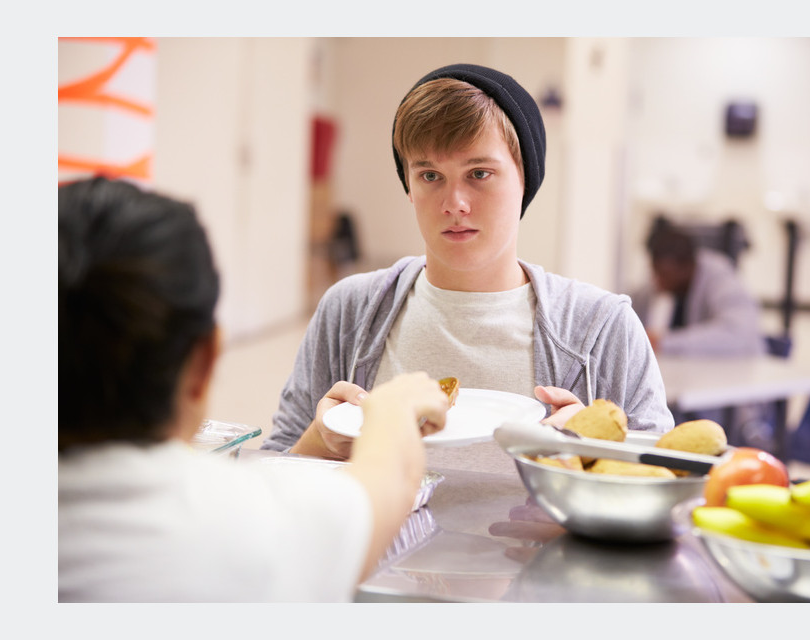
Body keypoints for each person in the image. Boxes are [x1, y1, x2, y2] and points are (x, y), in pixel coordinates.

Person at [58, 176, 450, 602]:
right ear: (205, 360)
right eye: (430, 175)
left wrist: (316, 440)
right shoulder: (251, 527)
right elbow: (385, 487)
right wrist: (391, 409)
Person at [262, 63, 674, 459]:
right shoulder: (349, 312)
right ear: (408, 184)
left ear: (525, 179)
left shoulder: (601, 329)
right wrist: (321, 439)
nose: (454, 204)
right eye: (429, 176)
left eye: (479, 174)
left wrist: (590, 454)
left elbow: (668, 482)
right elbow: (276, 470)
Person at [630, 221, 765, 357]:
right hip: (698, 370)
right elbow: (632, 310)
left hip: (743, 368)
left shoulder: (720, 278)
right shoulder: (663, 285)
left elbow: (737, 334)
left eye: (663, 274)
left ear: (686, 267)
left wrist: (663, 342)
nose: (657, 281)